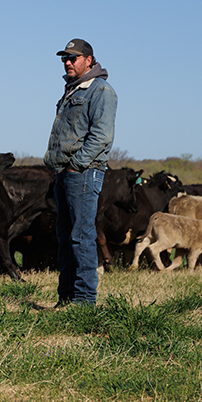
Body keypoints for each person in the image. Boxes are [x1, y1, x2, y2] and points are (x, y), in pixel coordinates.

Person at [43, 38, 117, 306]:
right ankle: (66, 298)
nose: (68, 62)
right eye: (65, 58)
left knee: (81, 236)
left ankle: (84, 301)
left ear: (89, 60)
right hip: (64, 172)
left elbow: (102, 135)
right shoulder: (72, 91)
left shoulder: (100, 90)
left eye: (73, 58)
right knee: (65, 237)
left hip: (83, 173)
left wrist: (78, 163)